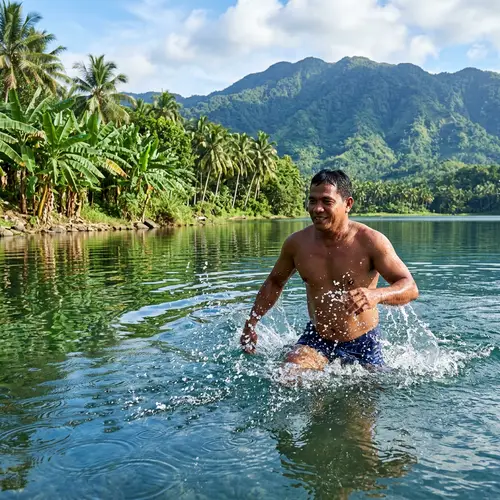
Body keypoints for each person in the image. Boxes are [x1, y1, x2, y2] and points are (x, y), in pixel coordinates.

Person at [240, 169, 419, 369]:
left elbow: (410, 287)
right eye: (312, 201)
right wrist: (251, 323)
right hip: (317, 339)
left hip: (363, 342)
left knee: (366, 395)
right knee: (288, 374)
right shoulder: (297, 244)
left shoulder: (370, 241)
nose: (317, 208)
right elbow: (275, 282)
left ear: (348, 204)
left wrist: (376, 295)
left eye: (327, 201)